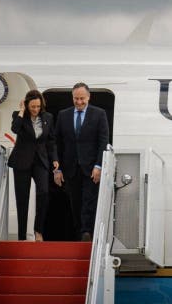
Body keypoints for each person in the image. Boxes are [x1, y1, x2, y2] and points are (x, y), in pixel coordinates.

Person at [54, 82, 109, 241]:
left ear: (89, 97)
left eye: (82, 98)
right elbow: (57, 142)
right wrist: (57, 168)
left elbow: (103, 141)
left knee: (89, 200)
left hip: (91, 167)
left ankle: (87, 232)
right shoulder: (63, 115)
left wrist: (99, 165)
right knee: (75, 202)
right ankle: (80, 232)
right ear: (72, 97)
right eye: (76, 98)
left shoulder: (99, 114)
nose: (79, 102)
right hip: (70, 167)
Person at [7, 90, 59, 241]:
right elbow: (15, 129)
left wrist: (54, 158)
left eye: (38, 106)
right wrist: (22, 111)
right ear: (27, 105)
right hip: (21, 161)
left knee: (44, 193)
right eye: (32, 107)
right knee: (22, 199)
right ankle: (22, 236)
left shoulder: (48, 117)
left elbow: (51, 140)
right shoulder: (18, 115)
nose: (35, 109)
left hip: (40, 161)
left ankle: (38, 230)